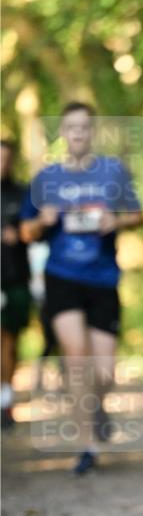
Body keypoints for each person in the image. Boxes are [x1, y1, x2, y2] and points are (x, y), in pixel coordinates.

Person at [20, 102, 143, 473]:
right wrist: (41, 223)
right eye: (70, 128)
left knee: (104, 371)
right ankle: (87, 444)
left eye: (84, 128)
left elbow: (138, 216)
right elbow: (24, 233)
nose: (77, 134)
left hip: (103, 278)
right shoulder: (46, 179)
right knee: (76, 359)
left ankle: (98, 405)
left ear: (92, 132)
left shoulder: (112, 172)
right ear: (63, 133)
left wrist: (116, 222)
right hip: (62, 277)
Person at [1, 139, 31, 429]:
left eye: (6, 159)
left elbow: (35, 232)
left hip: (15, 278)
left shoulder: (22, 194)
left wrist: (21, 234)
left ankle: (6, 400)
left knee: (10, 342)